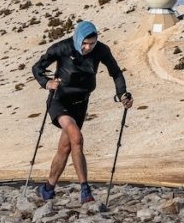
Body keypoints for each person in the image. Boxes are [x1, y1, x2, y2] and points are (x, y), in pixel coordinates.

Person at [32, 20, 133, 203]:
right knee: (76, 138)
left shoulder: (101, 50)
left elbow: (116, 72)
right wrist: (47, 83)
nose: (88, 48)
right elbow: (37, 68)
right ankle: (85, 191)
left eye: (92, 43)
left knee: (65, 147)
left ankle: (47, 188)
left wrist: (122, 94)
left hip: (81, 103)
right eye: (85, 43)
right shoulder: (62, 48)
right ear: (78, 39)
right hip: (59, 100)